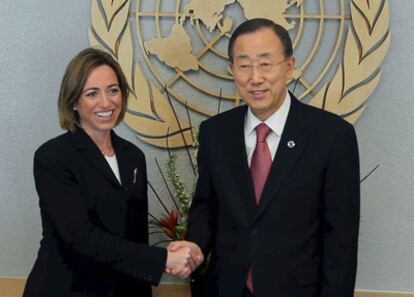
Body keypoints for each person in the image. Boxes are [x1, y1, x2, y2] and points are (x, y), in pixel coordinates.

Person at [169, 18, 360, 297]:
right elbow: (206, 207)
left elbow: (340, 240)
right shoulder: (215, 133)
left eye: (265, 64)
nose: (255, 77)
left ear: (289, 67)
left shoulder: (331, 136)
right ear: (232, 70)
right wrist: (195, 245)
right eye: (244, 65)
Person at [23, 48, 202, 297]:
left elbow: (135, 237)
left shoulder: (133, 157)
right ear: (74, 101)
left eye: (113, 90)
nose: (106, 103)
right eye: (92, 93)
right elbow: (80, 237)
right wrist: (163, 259)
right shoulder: (53, 157)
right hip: (67, 288)